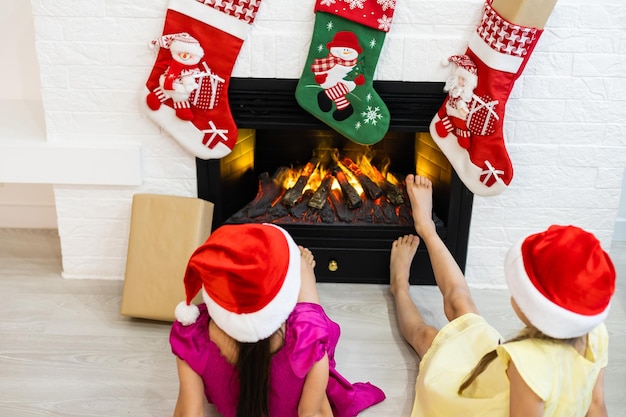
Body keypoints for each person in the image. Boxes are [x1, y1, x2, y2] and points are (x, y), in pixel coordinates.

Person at [390, 174, 615, 417]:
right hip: (495, 379)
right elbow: (596, 405)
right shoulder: (594, 334)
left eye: (517, 290)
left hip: (479, 406)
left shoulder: (527, 364)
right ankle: (428, 229)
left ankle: (399, 285)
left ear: (533, 309)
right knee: (460, 304)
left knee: (427, 336)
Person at [170, 222, 385, 417]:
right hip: (298, 350)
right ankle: (302, 271)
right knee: (311, 312)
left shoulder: (192, 342)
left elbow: (189, 412)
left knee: (308, 316)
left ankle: (292, 272)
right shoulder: (308, 340)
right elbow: (311, 413)